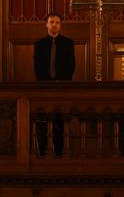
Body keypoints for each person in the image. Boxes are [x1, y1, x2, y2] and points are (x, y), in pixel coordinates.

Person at [33, 12, 75, 155]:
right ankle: (42, 151)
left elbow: (71, 66)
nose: (54, 25)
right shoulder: (39, 44)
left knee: (59, 121)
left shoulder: (68, 43)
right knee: (42, 120)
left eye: (57, 22)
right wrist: (46, 82)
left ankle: (59, 151)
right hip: (44, 88)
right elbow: (37, 67)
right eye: (51, 22)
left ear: (60, 25)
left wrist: (60, 81)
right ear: (46, 25)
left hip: (62, 87)